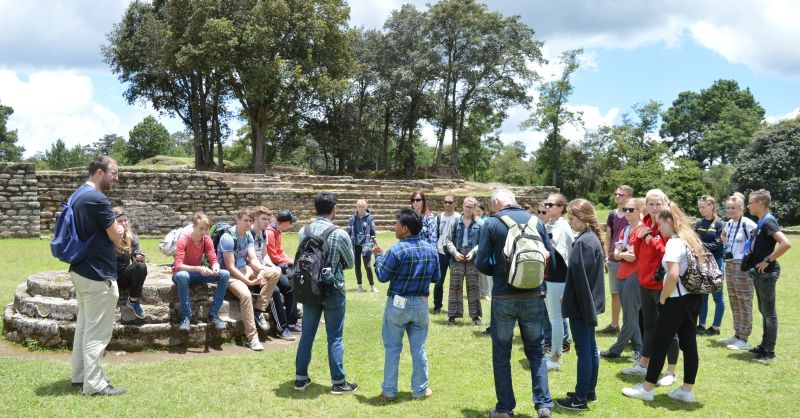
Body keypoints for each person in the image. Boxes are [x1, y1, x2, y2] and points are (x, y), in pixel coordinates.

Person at [476, 188, 555, 418]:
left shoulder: (491, 223)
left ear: (498, 202)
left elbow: (481, 262)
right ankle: (543, 405)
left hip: (503, 297)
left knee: (501, 353)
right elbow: (549, 257)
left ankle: (505, 408)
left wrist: (501, 273)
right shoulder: (536, 221)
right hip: (533, 295)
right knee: (537, 351)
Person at [622, 202, 705, 403]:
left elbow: (673, 274)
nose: (659, 229)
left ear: (669, 221)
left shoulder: (675, 242)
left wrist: (662, 297)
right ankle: (687, 390)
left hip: (677, 300)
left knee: (659, 342)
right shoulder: (691, 239)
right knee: (689, 343)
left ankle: (647, 389)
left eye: (660, 225)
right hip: (694, 298)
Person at [69, 156, 126, 396]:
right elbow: (115, 235)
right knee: (97, 332)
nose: (116, 178)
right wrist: (120, 229)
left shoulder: (78, 195)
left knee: (84, 327)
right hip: (97, 273)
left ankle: (81, 375)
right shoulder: (98, 198)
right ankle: (94, 384)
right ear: (100, 173)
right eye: (113, 173)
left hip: (80, 269)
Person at [372, 208, 440, 401]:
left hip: (398, 304)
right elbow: (436, 277)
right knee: (419, 348)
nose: (394, 227)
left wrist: (378, 256)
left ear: (405, 228)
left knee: (393, 348)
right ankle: (420, 390)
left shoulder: (396, 249)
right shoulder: (430, 249)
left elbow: (382, 276)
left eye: (396, 224)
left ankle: (389, 391)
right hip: (420, 303)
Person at [294, 192, 358, 394]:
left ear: (315, 208)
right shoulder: (339, 234)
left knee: (307, 334)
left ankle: (300, 378)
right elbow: (350, 263)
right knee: (335, 337)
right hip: (333, 289)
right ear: (333, 209)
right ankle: (338, 382)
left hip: (310, 287)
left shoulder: (304, 231)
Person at [621, 189, 679, 387]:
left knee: (669, 328)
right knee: (649, 326)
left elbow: (670, 255)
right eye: (651, 204)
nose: (654, 208)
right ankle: (643, 363)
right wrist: (640, 238)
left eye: (658, 204)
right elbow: (636, 252)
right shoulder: (645, 222)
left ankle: (671, 371)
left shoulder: (669, 223)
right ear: (645, 205)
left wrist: (652, 240)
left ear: (665, 203)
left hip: (662, 284)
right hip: (645, 282)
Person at [556, 199, 606, 412]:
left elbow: (579, 280)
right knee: (590, 348)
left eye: (571, 219)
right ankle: (588, 390)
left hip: (582, 305)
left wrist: (569, 300)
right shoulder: (589, 239)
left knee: (584, 351)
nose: (569, 223)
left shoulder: (584, 242)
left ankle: (580, 398)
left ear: (583, 218)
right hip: (587, 304)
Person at [217, 208, 281, 351]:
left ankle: (259, 309)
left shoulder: (248, 236)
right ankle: (252, 337)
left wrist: (262, 271)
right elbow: (230, 267)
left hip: (245, 269)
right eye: (245, 220)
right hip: (230, 274)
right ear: (238, 220)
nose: (248, 224)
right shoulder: (228, 238)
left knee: (275, 272)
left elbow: (252, 259)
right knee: (245, 295)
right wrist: (249, 282)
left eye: (250, 221)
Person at [745, 189, 792, 362]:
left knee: (769, 313)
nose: (748, 205)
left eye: (750, 202)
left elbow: (786, 243)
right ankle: (764, 346)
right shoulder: (761, 221)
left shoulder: (768, 221)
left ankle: (769, 352)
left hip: (767, 272)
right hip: (760, 272)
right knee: (764, 310)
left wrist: (767, 260)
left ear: (760, 204)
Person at [600, 198, 644, 362]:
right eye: (625, 209)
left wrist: (622, 254)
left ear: (640, 211)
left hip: (635, 275)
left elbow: (634, 256)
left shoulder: (642, 230)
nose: (626, 212)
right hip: (622, 273)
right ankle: (640, 349)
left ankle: (617, 350)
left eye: (631, 210)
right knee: (629, 314)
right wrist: (623, 254)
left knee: (630, 315)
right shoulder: (625, 230)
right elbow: (616, 253)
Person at [172, 212, 230, 332]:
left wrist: (215, 266)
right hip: (182, 274)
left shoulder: (206, 240)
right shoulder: (183, 240)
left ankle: (213, 315)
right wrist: (198, 268)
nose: (204, 232)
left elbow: (213, 258)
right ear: (193, 227)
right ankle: (186, 316)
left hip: (196, 273)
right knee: (182, 275)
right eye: (201, 228)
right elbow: (178, 266)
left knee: (225, 274)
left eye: (206, 229)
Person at [719, 193, 758, 350]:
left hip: (743, 266)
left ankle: (744, 338)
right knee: (734, 299)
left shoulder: (748, 224)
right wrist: (724, 239)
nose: (730, 210)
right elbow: (724, 237)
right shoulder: (728, 223)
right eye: (728, 208)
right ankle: (737, 334)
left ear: (741, 208)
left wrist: (749, 259)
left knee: (744, 301)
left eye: (733, 208)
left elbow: (757, 242)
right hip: (730, 263)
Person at [252, 207, 298, 339]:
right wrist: (267, 268)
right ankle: (281, 328)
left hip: (268, 268)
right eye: (264, 219)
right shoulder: (261, 233)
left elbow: (266, 256)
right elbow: (252, 258)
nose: (267, 222)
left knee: (289, 287)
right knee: (275, 292)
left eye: (268, 219)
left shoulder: (265, 233)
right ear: (256, 218)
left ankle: (291, 322)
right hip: (257, 270)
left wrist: (273, 267)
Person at [542, 193, 573, 371]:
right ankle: (554, 353)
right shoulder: (549, 225)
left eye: (552, 204)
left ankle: (556, 358)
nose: (547, 207)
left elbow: (556, 251)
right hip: (549, 277)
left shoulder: (562, 226)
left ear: (561, 207)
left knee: (556, 319)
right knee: (553, 318)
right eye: (547, 204)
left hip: (559, 277)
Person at [444, 196, 483, 326]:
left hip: (473, 259)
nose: (467, 209)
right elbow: (448, 240)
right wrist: (455, 253)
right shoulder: (455, 221)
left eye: (470, 207)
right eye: (466, 206)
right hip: (457, 258)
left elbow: (482, 242)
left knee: (474, 288)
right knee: (455, 287)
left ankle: (476, 317)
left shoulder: (480, 223)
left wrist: (473, 252)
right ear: (463, 206)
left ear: (475, 208)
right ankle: (452, 317)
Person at [600, 185, 633, 334]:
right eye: (616, 193)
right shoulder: (612, 214)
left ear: (629, 197)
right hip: (613, 259)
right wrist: (607, 255)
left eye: (621, 194)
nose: (617, 196)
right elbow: (608, 236)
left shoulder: (632, 213)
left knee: (629, 295)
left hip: (629, 259)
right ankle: (614, 325)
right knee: (614, 293)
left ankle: (630, 326)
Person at [695, 195, 725, 335]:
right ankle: (701, 325)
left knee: (717, 296)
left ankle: (715, 327)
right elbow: (693, 239)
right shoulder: (699, 223)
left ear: (711, 205)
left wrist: (701, 246)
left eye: (703, 207)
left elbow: (718, 245)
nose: (701, 209)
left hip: (716, 262)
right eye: (699, 207)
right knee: (703, 295)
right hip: (702, 262)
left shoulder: (720, 224)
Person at [112, 207, 148, 319]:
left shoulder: (133, 238)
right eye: (120, 221)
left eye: (125, 220)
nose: (123, 223)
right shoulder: (107, 236)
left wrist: (139, 257)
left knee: (141, 266)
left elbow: (134, 259)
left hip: (123, 277)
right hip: (108, 277)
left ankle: (133, 301)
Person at [434, 193, 460, 314]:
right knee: (439, 281)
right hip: (440, 253)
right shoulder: (438, 218)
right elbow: (434, 235)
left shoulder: (459, 217)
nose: (448, 204)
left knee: (455, 282)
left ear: (455, 203)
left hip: (454, 253)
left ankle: (454, 307)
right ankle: (437, 306)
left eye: (450, 202)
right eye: (446, 202)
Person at [347, 200, 377, 293]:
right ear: (357, 207)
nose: (361, 208)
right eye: (359, 207)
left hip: (366, 244)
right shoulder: (352, 218)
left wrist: (374, 240)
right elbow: (348, 231)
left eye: (363, 207)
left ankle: (372, 286)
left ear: (366, 207)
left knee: (367, 266)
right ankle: (359, 286)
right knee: (357, 266)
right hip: (355, 245)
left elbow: (372, 231)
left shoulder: (369, 218)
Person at [475, 203, 492, 301]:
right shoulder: (474, 221)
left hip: (484, 250)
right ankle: (479, 292)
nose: (477, 213)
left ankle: (486, 292)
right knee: (477, 273)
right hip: (475, 250)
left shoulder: (486, 221)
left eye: (479, 211)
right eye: (476, 211)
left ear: (483, 212)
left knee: (484, 274)